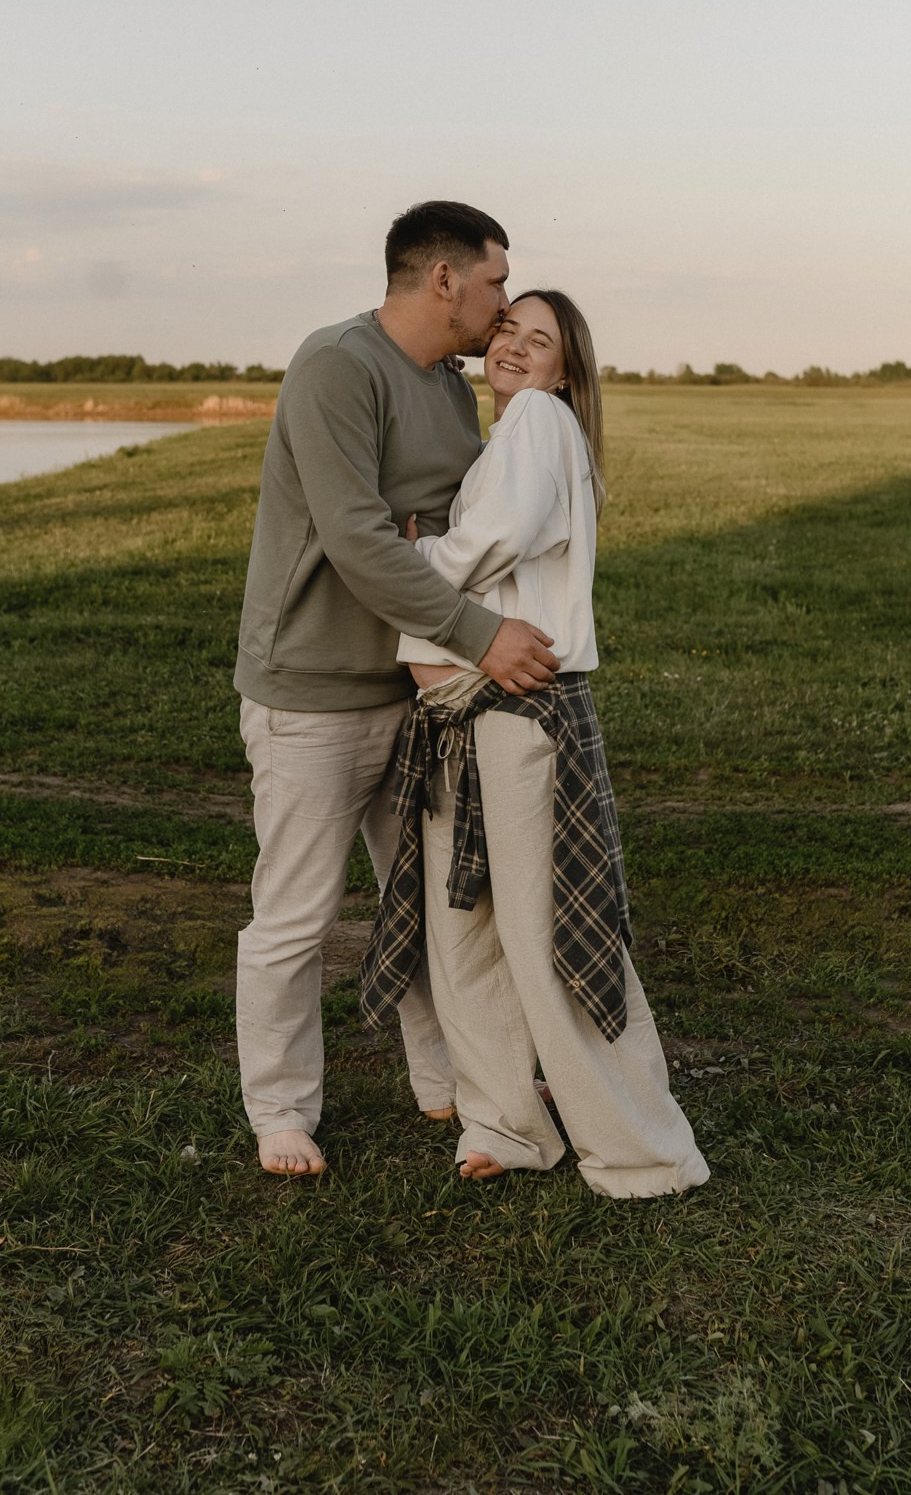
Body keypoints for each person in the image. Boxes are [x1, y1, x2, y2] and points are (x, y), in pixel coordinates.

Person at [234, 201, 561, 1178]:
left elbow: (449, 528)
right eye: (498, 281)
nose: (505, 304)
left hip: (416, 693)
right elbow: (360, 538)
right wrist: (484, 635)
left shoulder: (450, 389)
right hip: (314, 690)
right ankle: (281, 1107)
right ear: (444, 278)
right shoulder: (338, 365)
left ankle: (449, 1081)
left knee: (428, 902)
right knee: (294, 915)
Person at [361, 290, 710, 1199]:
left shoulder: (538, 424)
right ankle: (505, 1124)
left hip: (516, 721)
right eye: (507, 330)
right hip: (462, 722)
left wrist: (415, 563)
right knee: (464, 934)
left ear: (564, 368)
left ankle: (642, 1150)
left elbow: (500, 535)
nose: (514, 348)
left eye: (538, 341)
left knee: (548, 935)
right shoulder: (510, 435)